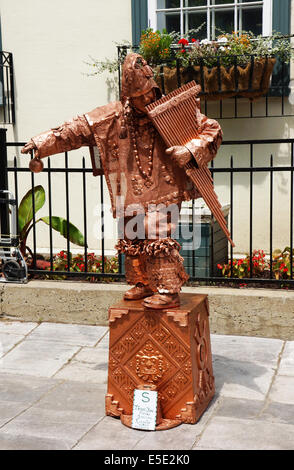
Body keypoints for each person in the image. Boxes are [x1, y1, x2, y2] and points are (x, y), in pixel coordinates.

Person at [21, 52, 222, 309]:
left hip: (165, 186)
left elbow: (212, 130)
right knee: (132, 234)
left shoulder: (174, 111)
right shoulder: (112, 117)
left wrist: (191, 149)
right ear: (128, 97)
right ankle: (143, 283)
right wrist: (42, 142)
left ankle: (169, 291)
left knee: (157, 234)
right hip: (130, 188)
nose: (147, 99)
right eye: (140, 97)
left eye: (150, 93)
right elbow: (75, 130)